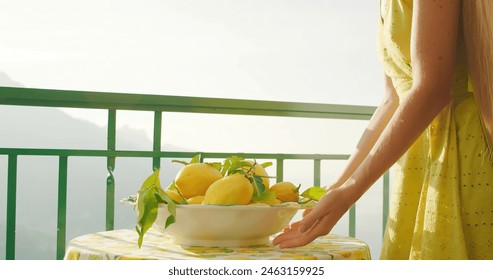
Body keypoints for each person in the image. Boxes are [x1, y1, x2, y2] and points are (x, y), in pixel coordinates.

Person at [273, 0, 493, 259]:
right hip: (419, 163)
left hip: (461, 155)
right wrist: (338, 185)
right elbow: (393, 98)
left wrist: (351, 192)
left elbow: (432, 89)